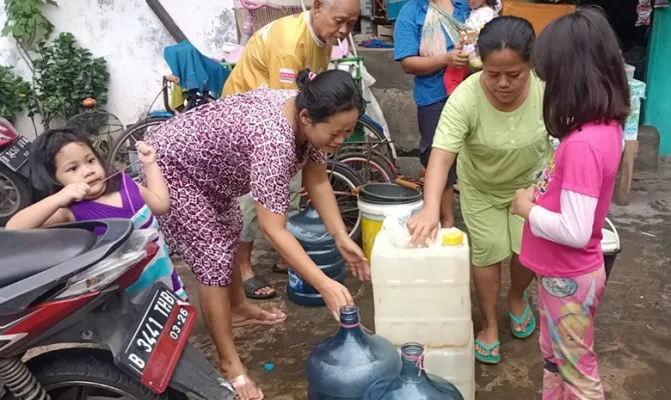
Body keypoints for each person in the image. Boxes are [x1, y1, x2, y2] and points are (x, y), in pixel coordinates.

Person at [145, 69, 370, 400]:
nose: (339, 141)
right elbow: (272, 229)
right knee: (213, 256)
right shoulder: (274, 140)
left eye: (347, 133)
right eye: (336, 134)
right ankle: (229, 363)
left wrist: (340, 236)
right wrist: (324, 284)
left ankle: (237, 309)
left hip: (211, 170)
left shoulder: (311, 116)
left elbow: (318, 179)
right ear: (307, 118)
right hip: (172, 166)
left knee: (230, 229)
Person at [407, 16, 553, 364]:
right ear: (480, 66)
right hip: (482, 189)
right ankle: (488, 323)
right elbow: (441, 158)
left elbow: (565, 139)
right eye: (493, 74)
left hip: (531, 188)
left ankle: (516, 297)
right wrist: (430, 208)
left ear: (530, 66)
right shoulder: (466, 98)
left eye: (514, 75)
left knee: (526, 249)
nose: (503, 83)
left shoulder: (547, 89)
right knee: (488, 251)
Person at [512, 7, 629, 399]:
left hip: (568, 277)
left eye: (549, 78)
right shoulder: (605, 128)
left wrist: (527, 209)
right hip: (566, 277)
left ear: (569, 77)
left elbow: (575, 231)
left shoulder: (582, 144)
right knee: (556, 358)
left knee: (577, 372)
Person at [223, 0, 361, 300]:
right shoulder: (289, 44)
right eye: (339, 21)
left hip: (282, 123)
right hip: (248, 130)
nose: (344, 31)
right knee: (251, 205)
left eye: (351, 24)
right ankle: (245, 268)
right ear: (318, 6)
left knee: (290, 195)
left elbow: (311, 106)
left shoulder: (322, 39)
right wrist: (324, 286)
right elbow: (286, 109)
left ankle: (287, 256)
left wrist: (340, 236)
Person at [5, 130, 187, 301]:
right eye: (73, 169)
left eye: (90, 160)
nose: (88, 171)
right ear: (54, 179)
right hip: (125, 303)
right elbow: (14, 229)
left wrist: (150, 164)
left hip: (166, 286)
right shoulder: (69, 212)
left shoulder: (125, 184)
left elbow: (161, 205)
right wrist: (58, 199)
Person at [394, 0, 471, 230]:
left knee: (473, 155)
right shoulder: (411, 13)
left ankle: (475, 215)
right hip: (433, 97)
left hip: (471, 92)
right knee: (438, 156)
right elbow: (408, 63)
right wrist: (445, 60)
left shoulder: (467, 6)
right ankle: (445, 218)